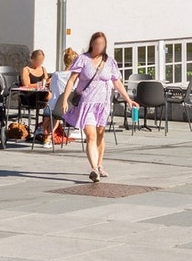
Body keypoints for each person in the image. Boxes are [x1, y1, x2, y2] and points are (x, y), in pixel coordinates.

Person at [58, 33, 136, 182]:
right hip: (86, 104)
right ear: (92, 44)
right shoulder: (83, 59)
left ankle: (100, 165)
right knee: (91, 136)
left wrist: (128, 100)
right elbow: (71, 80)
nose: (100, 46)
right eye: (97, 43)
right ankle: (94, 169)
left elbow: (117, 82)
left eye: (102, 44)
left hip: (103, 104)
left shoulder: (110, 62)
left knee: (100, 135)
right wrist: (64, 100)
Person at [18, 49, 52, 141]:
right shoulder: (26, 69)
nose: (39, 63)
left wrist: (48, 82)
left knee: (50, 96)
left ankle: (45, 125)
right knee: (49, 97)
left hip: (41, 94)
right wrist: (39, 84)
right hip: (30, 95)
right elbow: (26, 84)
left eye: (41, 61)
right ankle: (45, 125)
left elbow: (46, 81)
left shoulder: (43, 69)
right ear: (32, 59)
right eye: (38, 61)